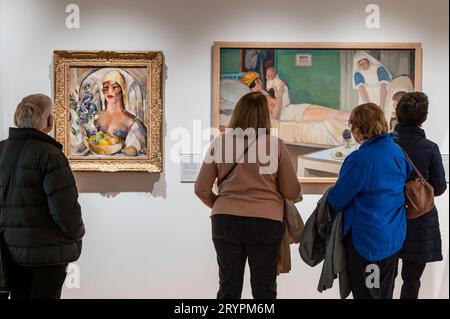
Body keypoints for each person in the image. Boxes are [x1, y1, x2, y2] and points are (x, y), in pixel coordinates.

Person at [194, 92, 301, 299]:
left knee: (228, 287)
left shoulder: (219, 143)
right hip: (266, 221)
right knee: (264, 289)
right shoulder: (275, 145)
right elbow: (292, 191)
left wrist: (221, 204)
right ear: (264, 116)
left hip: (225, 219)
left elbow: (201, 189)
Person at [0, 94, 85, 299]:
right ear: (49, 121)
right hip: (46, 257)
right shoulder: (50, 155)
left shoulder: (1, 149)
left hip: (7, 252)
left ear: (16, 118)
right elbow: (64, 210)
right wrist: (78, 233)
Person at [327, 103, 412, 299]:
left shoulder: (360, 159)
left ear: (358, 129)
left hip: (368, 242)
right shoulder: (397, 152)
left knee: (368, 295)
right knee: (384, 294)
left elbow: (337, 199)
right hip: (393, 238)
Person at [394, 92, 447, 299]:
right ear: (424, 116)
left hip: (389, 216)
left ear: (398, 114)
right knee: (412, 280)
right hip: (420, 218)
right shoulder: (430, 148)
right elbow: (440, 187)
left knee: (384, 277)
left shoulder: (386, 145)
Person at [240, 71, 350, 123]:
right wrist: (279, 97)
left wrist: (280, 90)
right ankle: (357, 119)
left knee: (329, 110)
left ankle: (356, 117)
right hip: (288, 115)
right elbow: (275, 118)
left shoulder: (263, 92)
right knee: (330, 114)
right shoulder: (257, 99)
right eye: (258, 81)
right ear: (253, 84)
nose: (261, 82)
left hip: (292, 108)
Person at [96, 70, 148, 155]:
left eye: (114, 87)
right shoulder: (97, 117)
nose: (109, 91)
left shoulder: (132, 122)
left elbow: (143, 151)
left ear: (122, 90)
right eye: (105, 87)